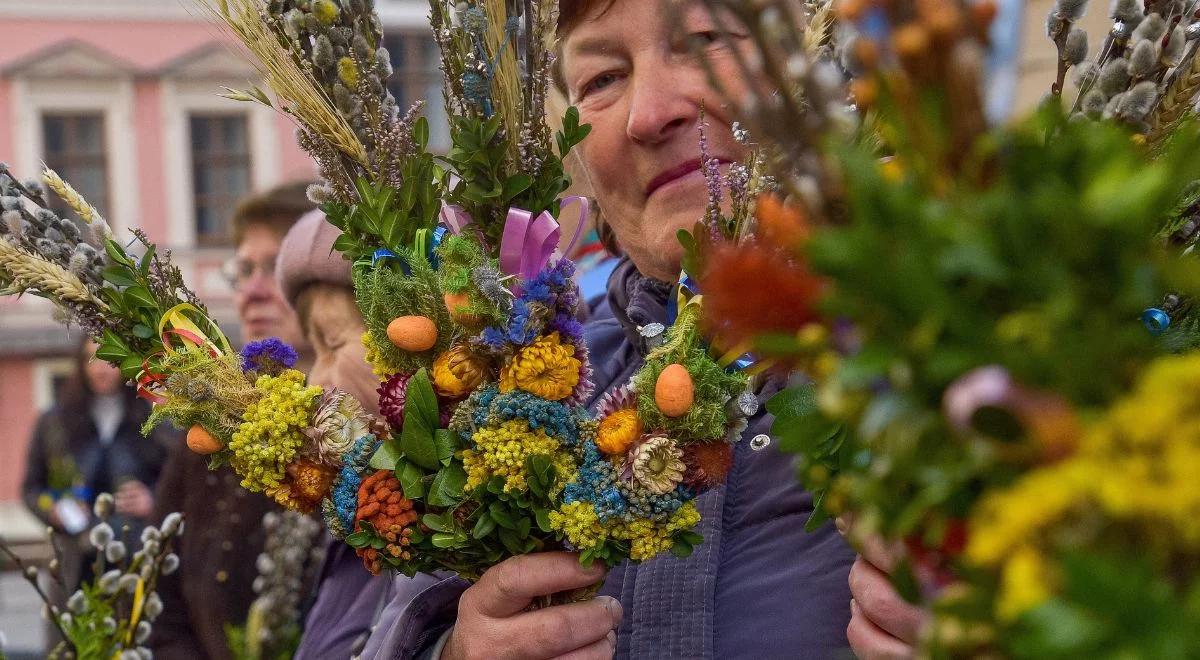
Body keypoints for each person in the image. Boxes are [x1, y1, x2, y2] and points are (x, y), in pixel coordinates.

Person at [301, 2, 900, 659]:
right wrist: (457, 649)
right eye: (601, 80)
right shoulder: (520, 400)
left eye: (705, 39)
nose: (651, 113)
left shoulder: (967, 364)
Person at [149, 181, 317, 660]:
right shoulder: (208, 434)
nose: (254, 291)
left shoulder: (372, 429)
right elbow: (162, 608)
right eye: (244, 270)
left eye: (277, 267)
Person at [276, 210, 394, 659]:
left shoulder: (462, 545)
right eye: (313, 351)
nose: (315, 382)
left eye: (333, 342)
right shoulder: (356, 529)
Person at [22, 338, 168, 588]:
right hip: (76, 560)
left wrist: (153, 499)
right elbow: (32, 489)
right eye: (92, 358)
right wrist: (54, 510)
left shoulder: (155, 419)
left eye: (109, 359)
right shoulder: (54, 423)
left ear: (126, 363)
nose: (100, 368)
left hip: (139, 557)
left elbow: (176, 482)